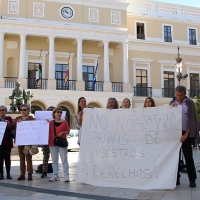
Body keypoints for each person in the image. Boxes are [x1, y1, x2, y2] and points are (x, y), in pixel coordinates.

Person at [170, 85, 199, 188]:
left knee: (188, 157)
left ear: (185, 94)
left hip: (186, 133)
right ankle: (176, 179)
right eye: (177, 95)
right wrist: (170, 109)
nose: (179, 98)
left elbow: (192, 120)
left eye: (181, 95)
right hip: (175, 134)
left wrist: (186, 134)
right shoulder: (172, 102)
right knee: (175, 158)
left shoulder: (190, 103)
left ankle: (192, 179)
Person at [10, 104, 35, 181]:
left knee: (28, 157)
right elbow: (12, 127)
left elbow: (37, 127)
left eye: (24, 110)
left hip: (28, 141)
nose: (22, 111)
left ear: (28, 111)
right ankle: (22, 174)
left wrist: (46, 122)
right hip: (20, 140)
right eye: (21, 110)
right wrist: (7, 123)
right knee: (21, 158)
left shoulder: (31, 118)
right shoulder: (18, 118)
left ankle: (30, 174)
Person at [48, 107, 70, 182]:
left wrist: (63, 133)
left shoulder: (64, 122)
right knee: (54, 160)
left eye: (60, 112)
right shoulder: (50, 122)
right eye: (58, 112)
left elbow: (68, 131)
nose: (59, 113)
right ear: (54, 113)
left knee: (64, 159)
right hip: (52, 142)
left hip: (61, 142)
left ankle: (66, 175)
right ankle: (55, 175)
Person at [41, 106, 55, 178]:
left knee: (54, 157)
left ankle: (55, 171)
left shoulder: (57, 120)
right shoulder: (44, 120)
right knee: (46, 156)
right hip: (46, 140)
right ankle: (44, 171)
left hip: (54, 140)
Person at [0, 105, 13, 180]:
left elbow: (12, 127)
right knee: (0, 159)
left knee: (8, 158)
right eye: (0, 110)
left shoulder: (9, 118)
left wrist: (8, 124)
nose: (2, 111)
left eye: (3, 110)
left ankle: (8, 173)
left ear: (6, 111)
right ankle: (1, 174)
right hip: (0, 143)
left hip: (7, 142)